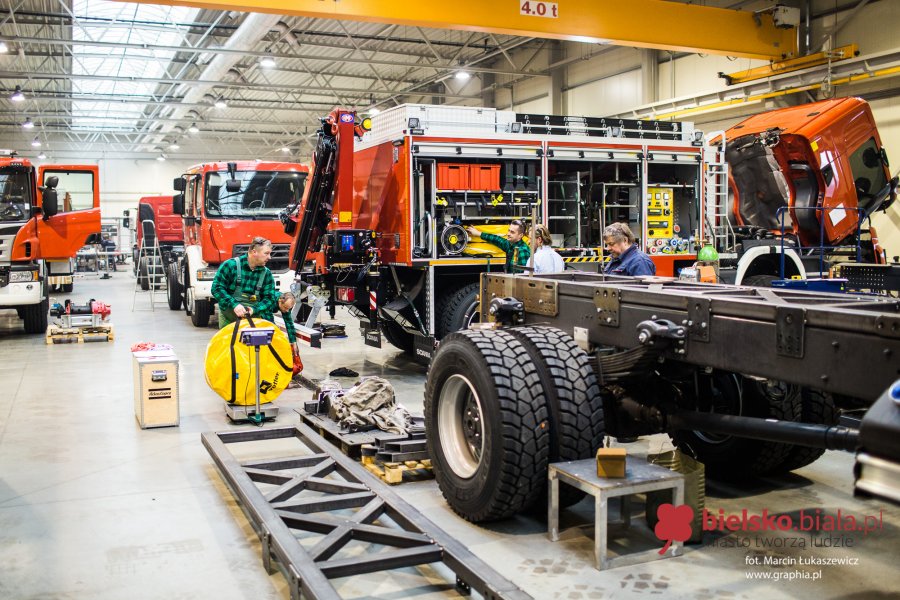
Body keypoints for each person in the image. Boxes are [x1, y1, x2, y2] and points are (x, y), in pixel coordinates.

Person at [211, 236, 299, 353]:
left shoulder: (266, 274)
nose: (269, 257)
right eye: (266, 253)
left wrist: (253, 309)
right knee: (229, 352)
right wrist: (234, 305)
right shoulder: (230, 266)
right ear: (254, 252)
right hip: (229, 319)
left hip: (253, 321)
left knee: (253, 354)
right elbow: (216, 288)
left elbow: (268, 299)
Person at [465, 219, 531, 273]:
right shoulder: (511, 244)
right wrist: (479, 233)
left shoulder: (522, 251)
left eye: (512, 232)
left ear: (521, 235)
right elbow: (497, 240)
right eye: (509, 230)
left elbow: (522, 277)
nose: (508, 234)